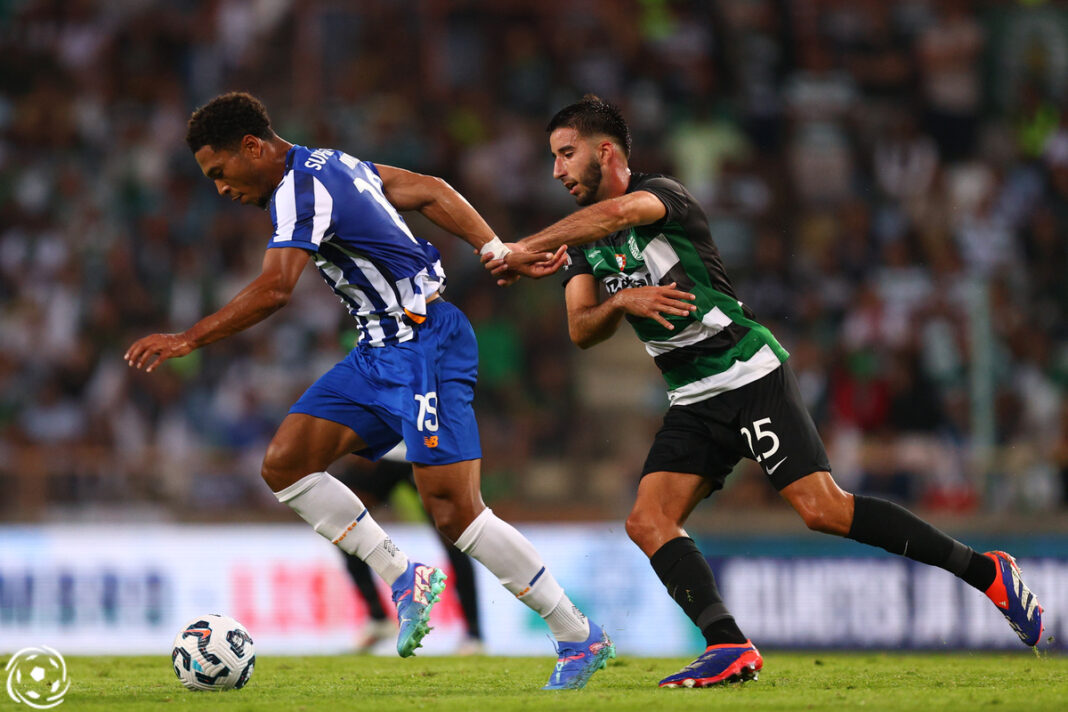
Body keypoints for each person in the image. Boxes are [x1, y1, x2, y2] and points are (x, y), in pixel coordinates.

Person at [485, 95, 1044, 688]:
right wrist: (621, 300)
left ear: (606, 152)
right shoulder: (583, 246)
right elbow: (580, 331)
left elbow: (614, 217)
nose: (556, 171)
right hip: (692, 397)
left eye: (566, 154)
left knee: (823, 510)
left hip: (748, 374)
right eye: (553, 158)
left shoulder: (661, 197)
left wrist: (526, 247)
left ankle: (988, 572)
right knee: (648, 520)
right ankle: (728, 644)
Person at [125, 92, 613, 690]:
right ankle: (404, 576)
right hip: (377, 352)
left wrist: (189, 338)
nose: (221, 189)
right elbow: (430, 189)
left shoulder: (298, 191)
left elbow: (277, 289)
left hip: (426, 342)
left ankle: (576, 633)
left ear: (252, 148)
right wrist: (493, 248)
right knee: (285, 464)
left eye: (220, 173)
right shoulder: (330, 163)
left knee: (454, 511)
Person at [339, 445, 483, 655]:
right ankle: (378, 618)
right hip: (385, 450)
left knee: (454, 537)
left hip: (428, 453)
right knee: (344, 522)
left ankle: (474, 634)